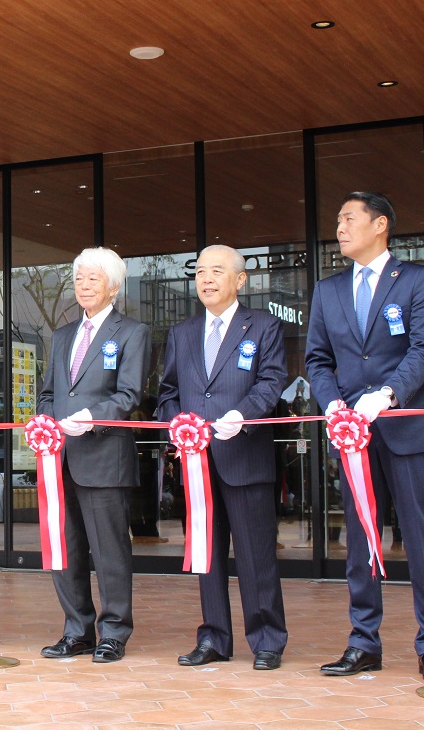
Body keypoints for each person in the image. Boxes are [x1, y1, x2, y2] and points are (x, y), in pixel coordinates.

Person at [306, 192, 424, 683]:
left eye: (349, 218)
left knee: (421, 539)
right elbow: (318, 360)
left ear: (380, 224)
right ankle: (363, 642)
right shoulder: (327, 290)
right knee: (360, 540)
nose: (340, 228)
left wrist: (388, 393)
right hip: (354, 435)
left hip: (409, 427)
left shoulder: (415, 280)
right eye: (339, 219)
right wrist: (331, 403)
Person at [155, 245, 288, 670]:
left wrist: (241, 415)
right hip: (197, 464)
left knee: (255, 556)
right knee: (207, 556)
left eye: (217, 271)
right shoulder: (182, 332)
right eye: (200, 273)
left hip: (245, 457)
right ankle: (214, 637)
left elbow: (271, 382)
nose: (207, 280)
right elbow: (168, 393)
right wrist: (177, 423)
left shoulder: (263, 326)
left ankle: (267, 639)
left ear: (239, 280)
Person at [37, 246, 151, 663]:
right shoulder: (64, 334)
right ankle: (77, 630)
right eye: (80, 278)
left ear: (114, 287)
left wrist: (89, 417)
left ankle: (114, 632)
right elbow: (49, 392)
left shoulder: (132, 332)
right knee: (65, 550)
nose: (84, 285)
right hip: (60, 458)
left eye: (93, 279)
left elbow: (129, 395)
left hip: (104, 458)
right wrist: (46, 422)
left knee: (109, 554)